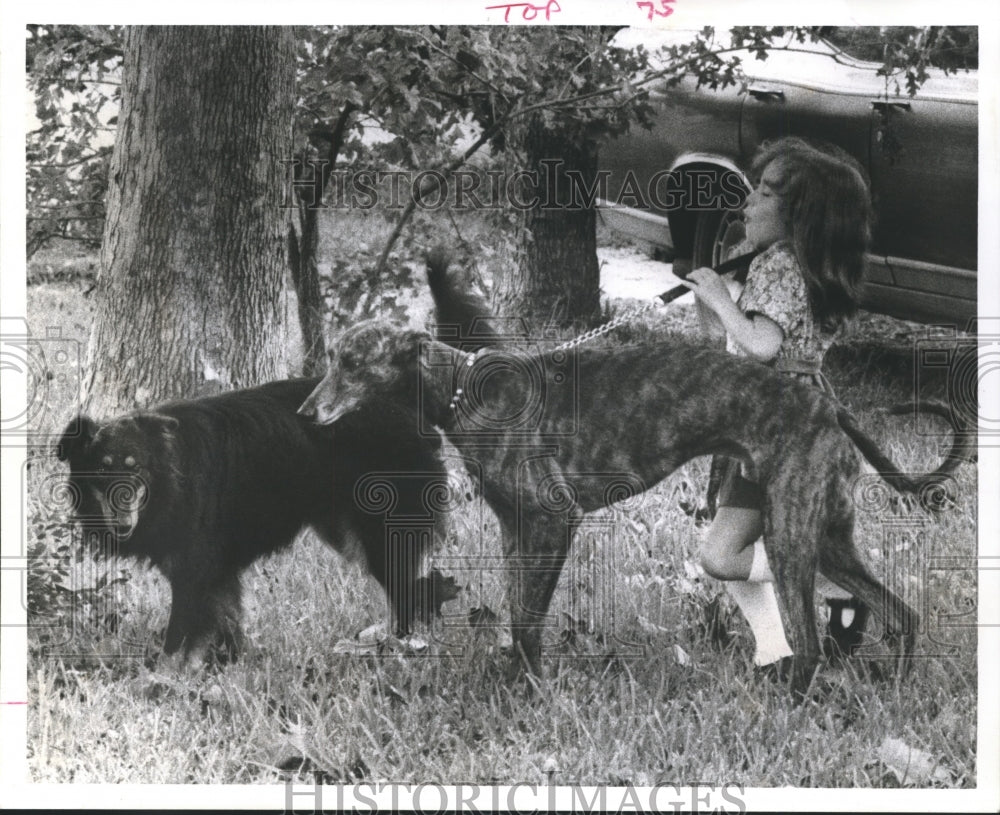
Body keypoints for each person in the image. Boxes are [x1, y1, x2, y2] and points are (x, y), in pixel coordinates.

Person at [680, 137, 872, 676]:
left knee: (723, 553)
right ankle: (775, 650)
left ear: (798, 216)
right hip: (774, 420)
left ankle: (841, 585)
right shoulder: (795, 263)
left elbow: (763, 346)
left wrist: (721, 298)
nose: (748, 202)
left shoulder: (780, 265)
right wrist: (714, 300)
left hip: (777, 428)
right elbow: (733, 342)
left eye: (764, 194)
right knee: (732, 544)